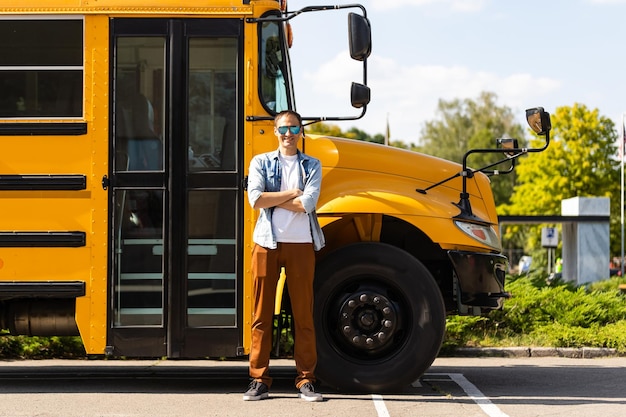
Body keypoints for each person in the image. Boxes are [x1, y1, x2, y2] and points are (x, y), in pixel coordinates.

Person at [244, 110, 325, 402]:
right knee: (261, 316)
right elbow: (255, 199)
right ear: (275, 131)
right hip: (267, 243)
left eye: (293, 128)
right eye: (283, 128)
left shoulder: (312, 164)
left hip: (302, 243)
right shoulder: (260, 162)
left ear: (301, 131)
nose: (288, 133)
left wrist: (275, 197)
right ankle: (259, 379)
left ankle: (306, 380)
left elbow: (309, 204)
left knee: (304, 315)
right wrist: (292, 193)